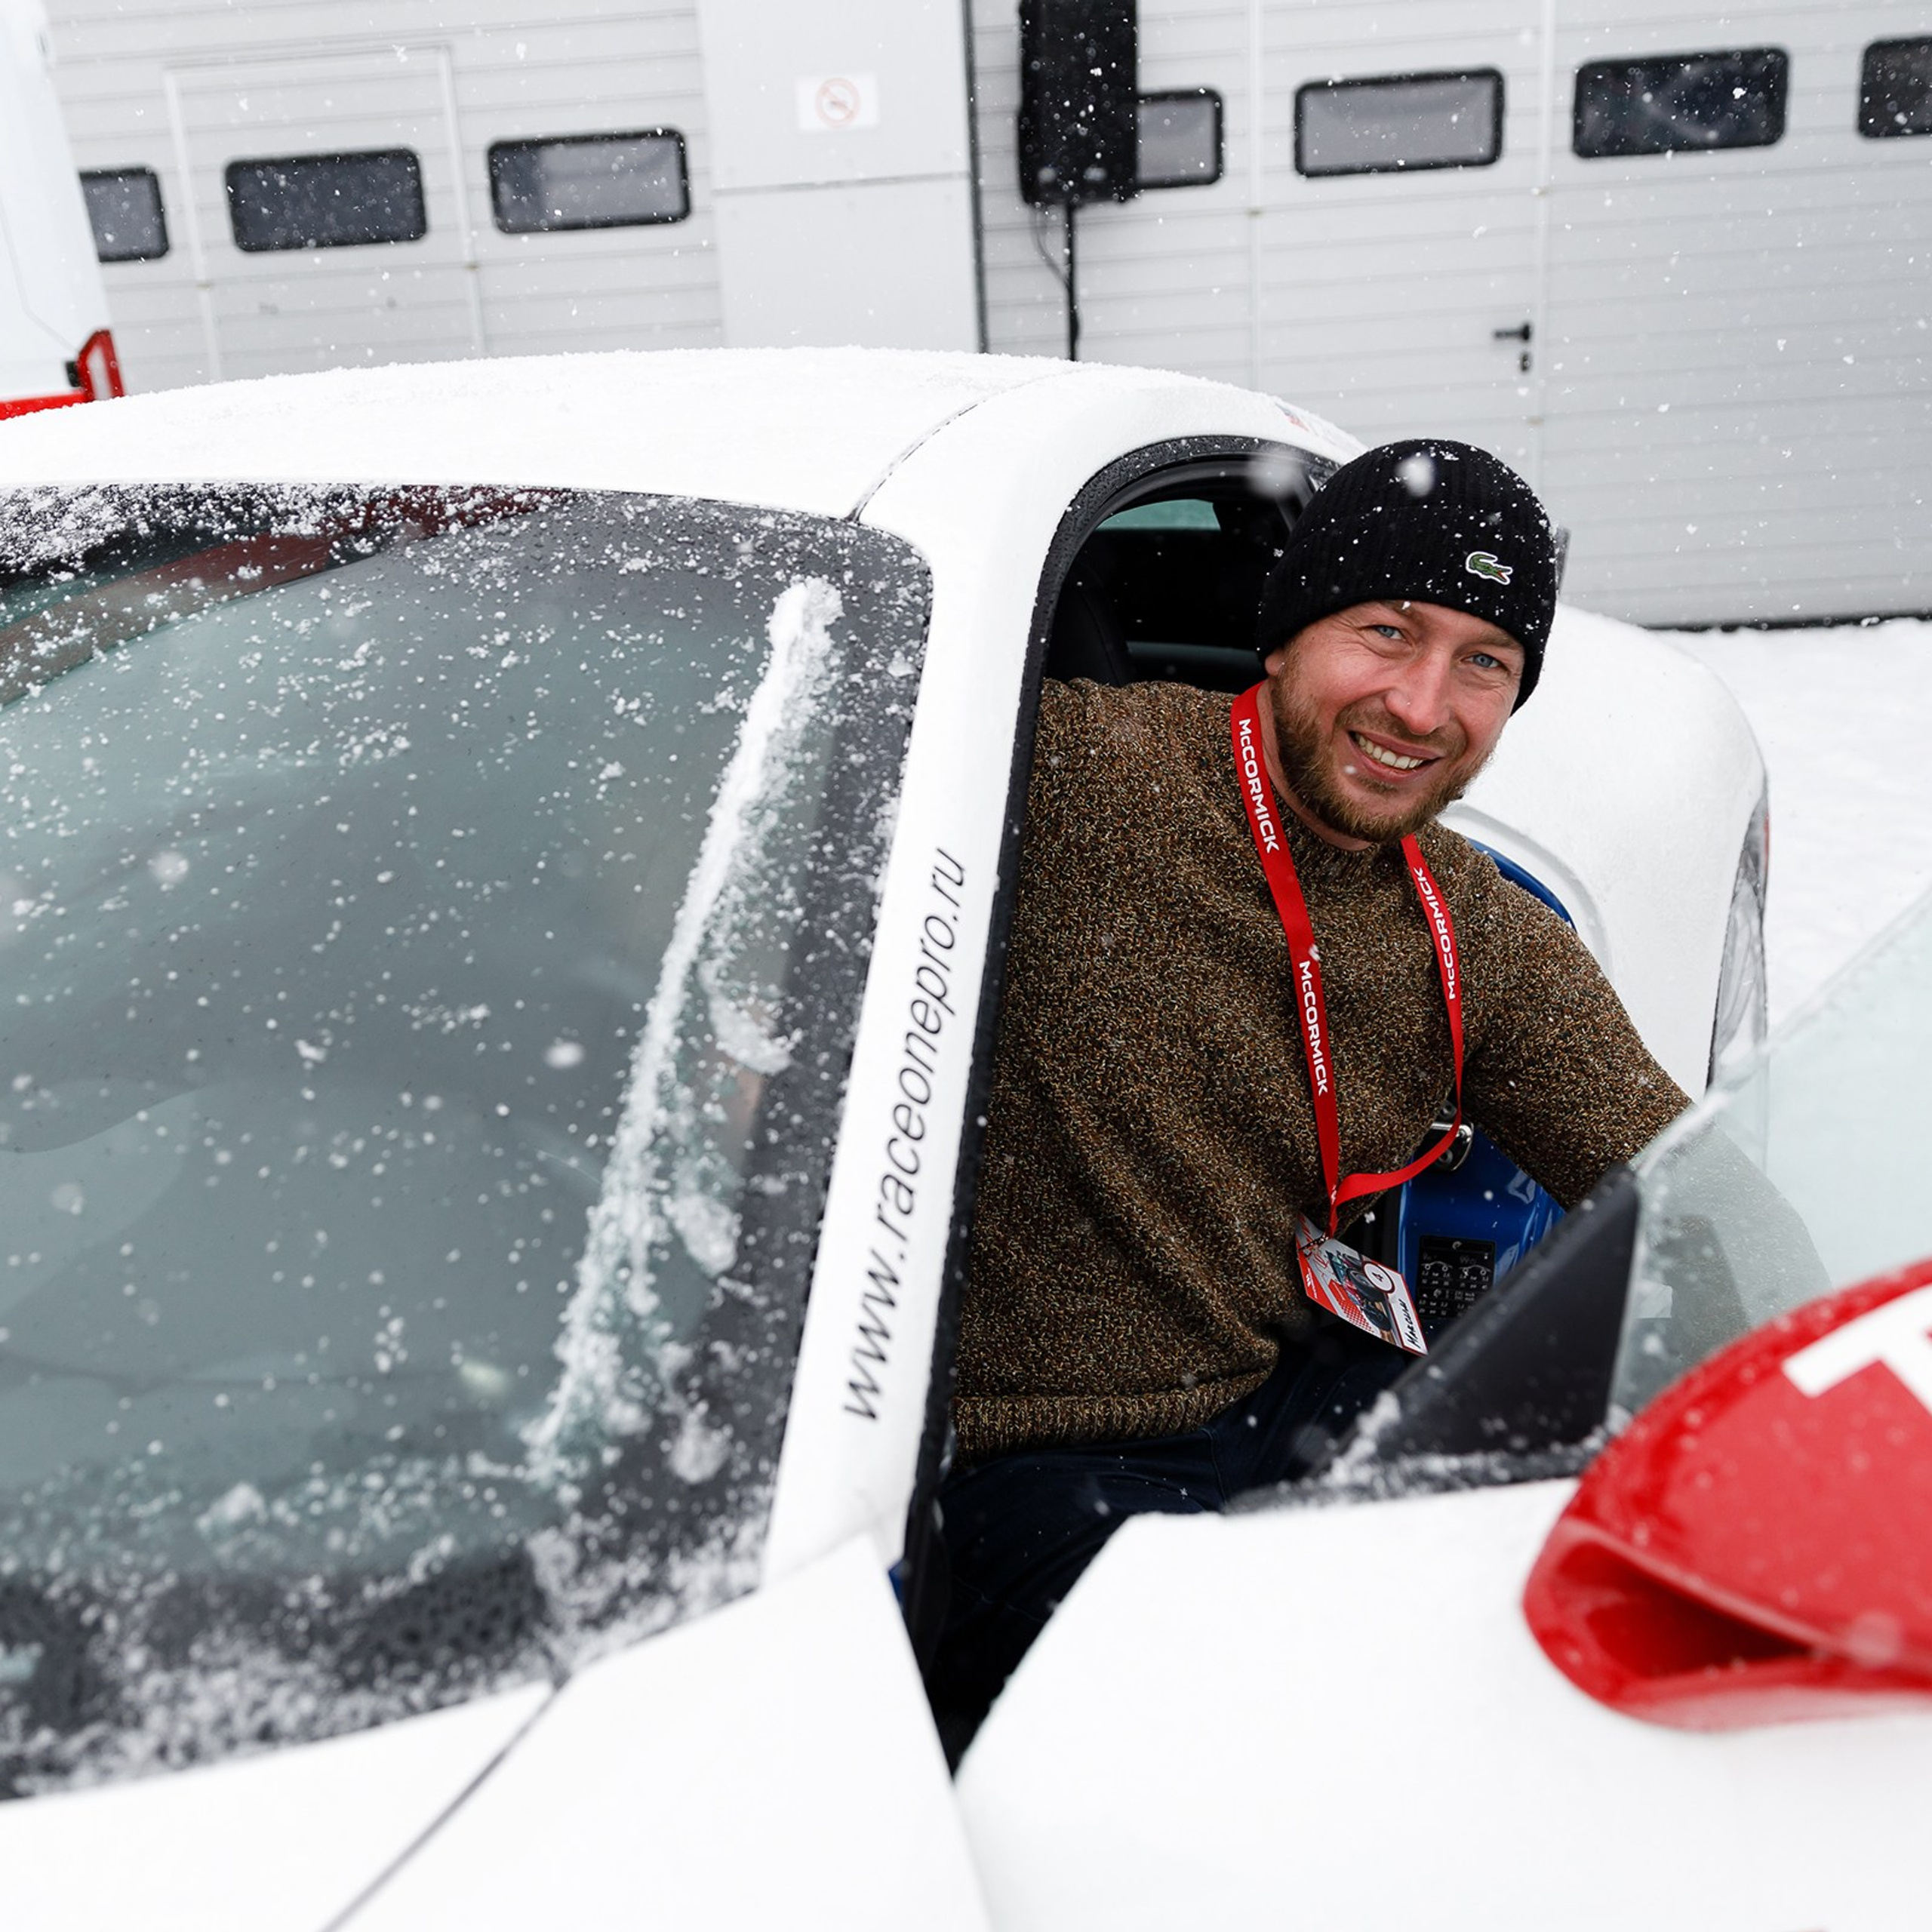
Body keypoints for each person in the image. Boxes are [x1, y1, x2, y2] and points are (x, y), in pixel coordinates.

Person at [928, 438, 1691, 1746]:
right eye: (1386, 632)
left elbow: (1686, 1180)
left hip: (1283, 1393)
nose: (1421, 706)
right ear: (1284, 638)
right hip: (1027, 1457)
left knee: (1566, 1641)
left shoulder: (1469, 928)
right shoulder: (1059, 775)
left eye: (1484, 663)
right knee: (1274, 1754)